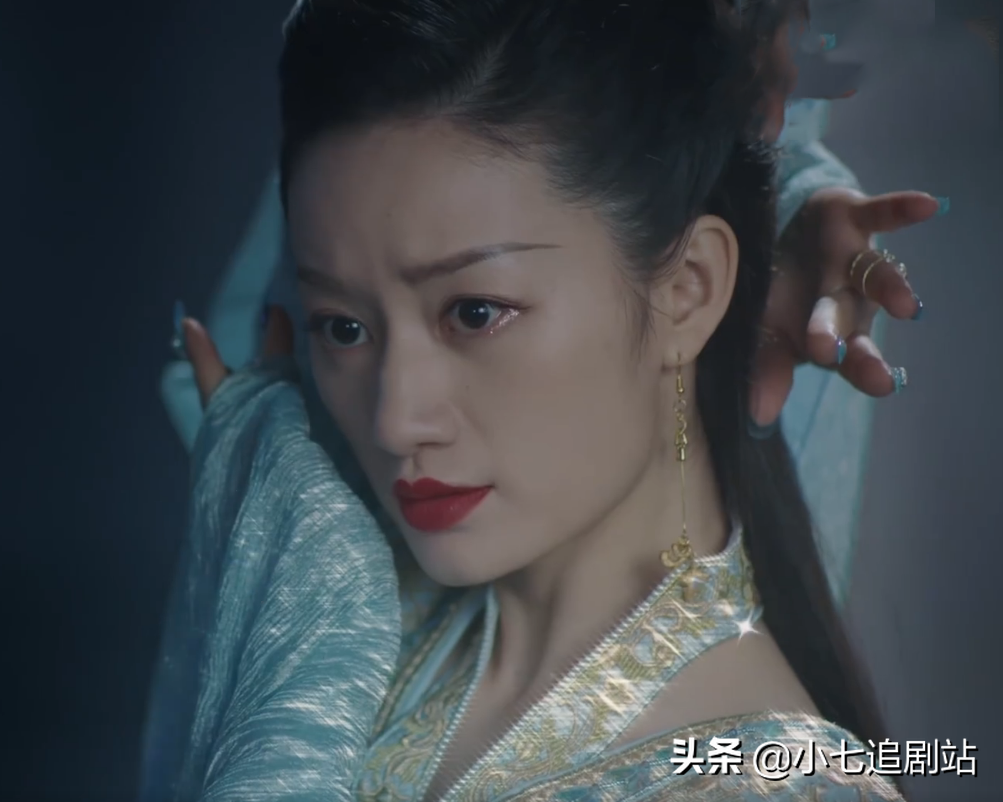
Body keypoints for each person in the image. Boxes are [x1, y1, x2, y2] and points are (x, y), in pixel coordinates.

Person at [144, 1, 939, 799]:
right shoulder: (326, 563)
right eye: (343, 327)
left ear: (689, 289)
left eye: (474, 313)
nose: (393, 421)